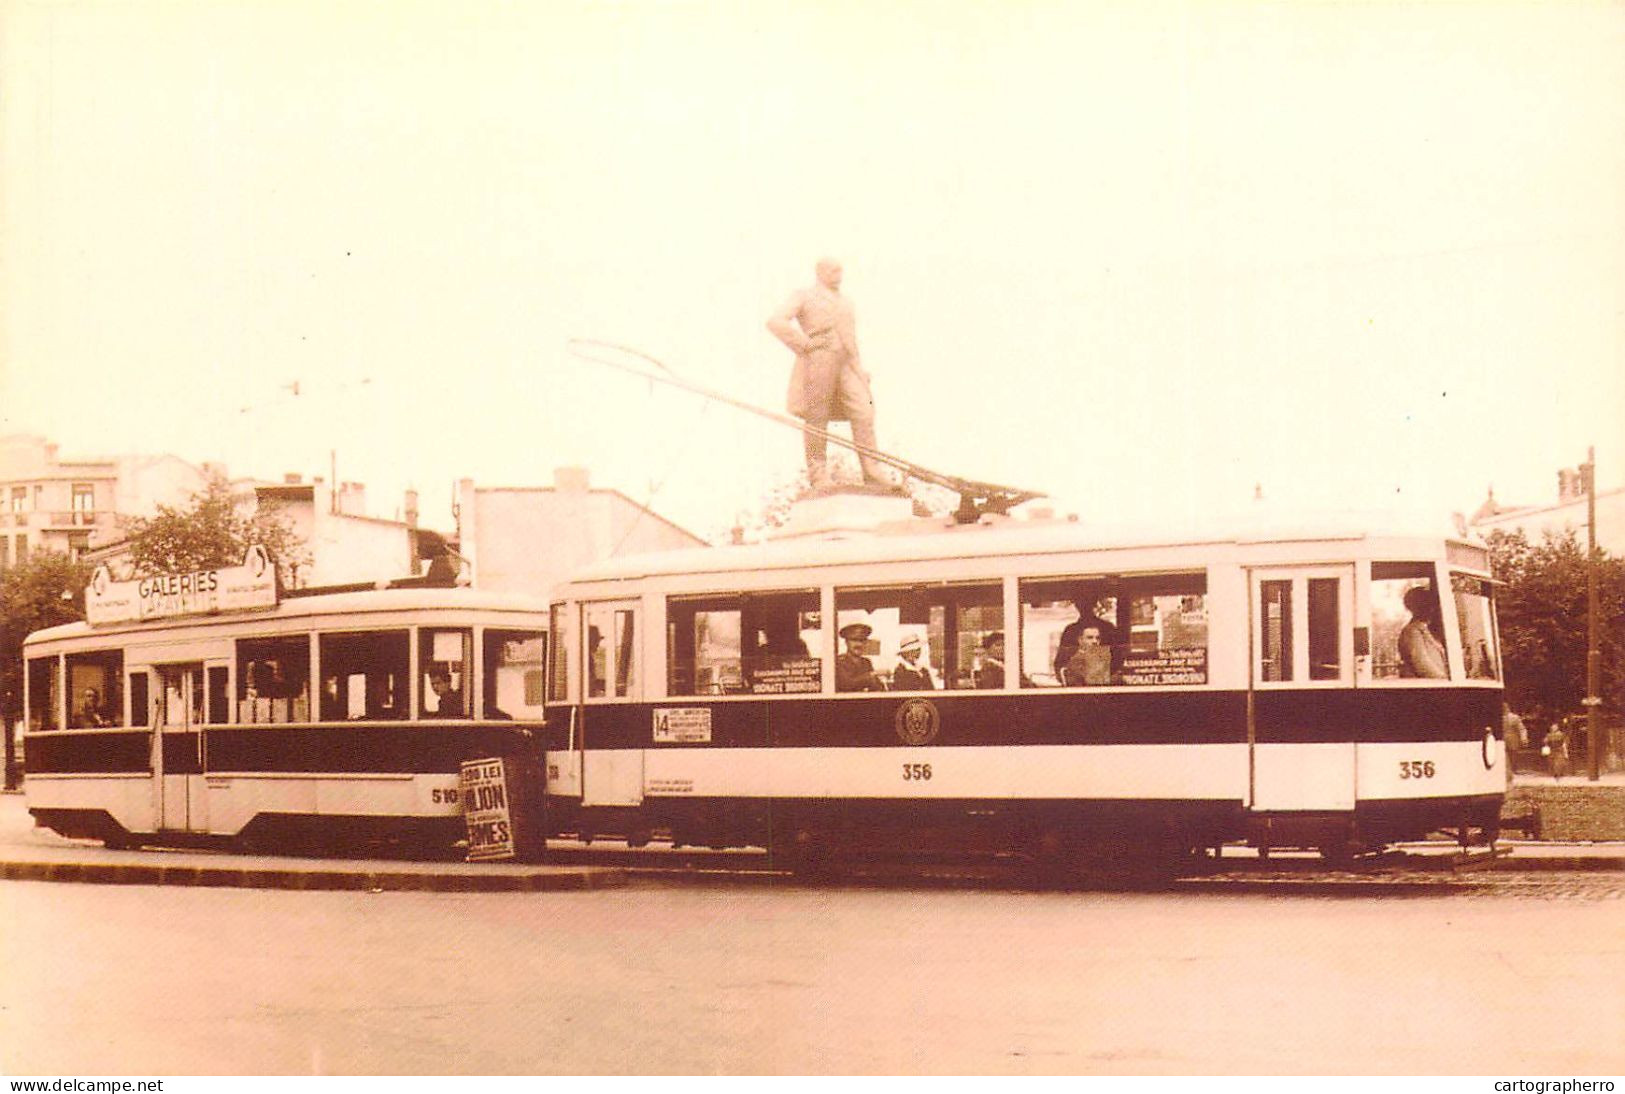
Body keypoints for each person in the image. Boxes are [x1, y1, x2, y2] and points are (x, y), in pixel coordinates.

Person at [767, 258, 886, 488]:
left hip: (847, 363)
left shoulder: (847, 302)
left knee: (864, 410)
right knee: (817, 416)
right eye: (833, 270)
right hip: (819, 359)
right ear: (820, 272)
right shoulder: (804, 295)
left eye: (840, 270)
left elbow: (852, 340)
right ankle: (818, 473)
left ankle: (872, 470)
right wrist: (804, 343)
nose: (838, 274)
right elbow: (775, 321)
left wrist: (859, 369)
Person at [1053, 598, 1118, 679]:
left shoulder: (1108, 628)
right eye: (1089, 638)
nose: (1094, 641)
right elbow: (1060, 665)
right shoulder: (1070, 631)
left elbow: (1117, 660)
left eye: (1098, 638)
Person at [1397, 586, 1448, 679]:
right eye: (1426, 604)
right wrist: (1446, 679)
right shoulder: (1412, 631)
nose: (1432, 608)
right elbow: (1423, 665)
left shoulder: (1427, 629)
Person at [835, 622, 885, 692]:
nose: (859, 644)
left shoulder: (866, 662)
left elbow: (878, 686)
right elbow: (846, 684)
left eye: (862, 641)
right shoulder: (839, 662)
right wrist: (871, 675)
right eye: (854, 640)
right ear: (846, 642)